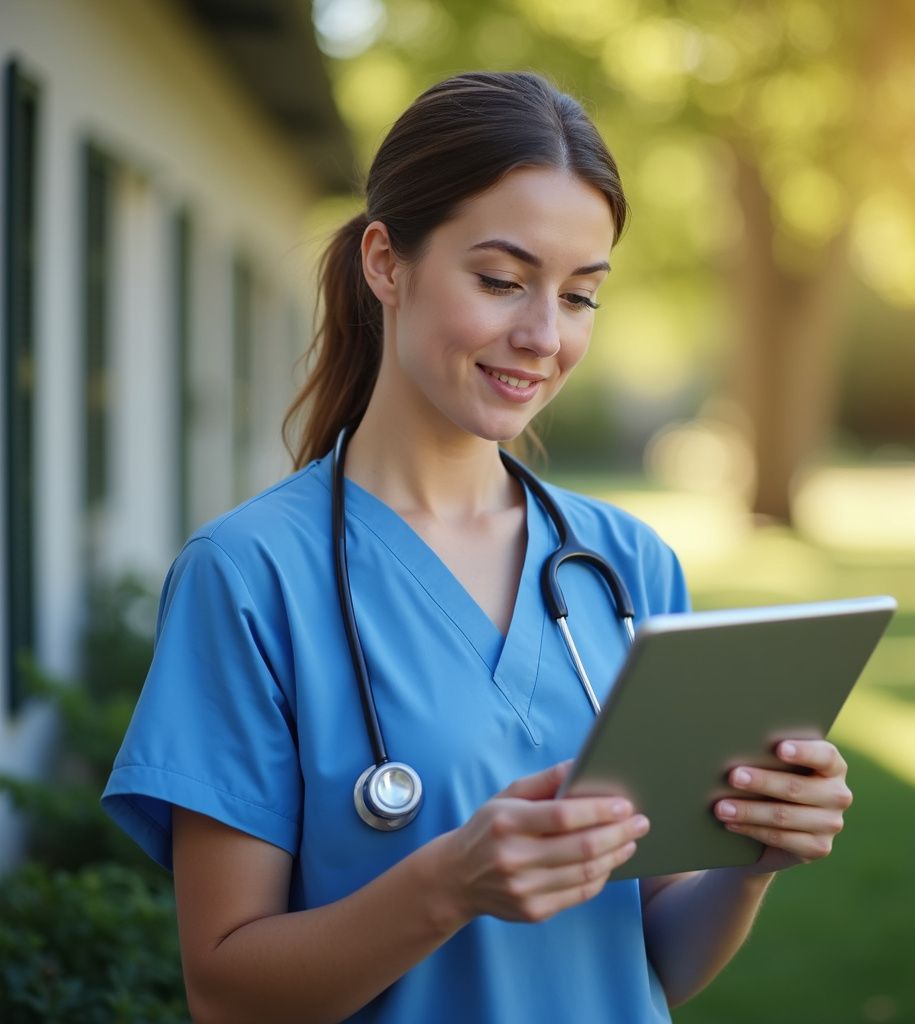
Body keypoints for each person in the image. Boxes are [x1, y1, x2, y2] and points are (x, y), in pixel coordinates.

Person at [101, 70, 853, 1024]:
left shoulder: (627, 566)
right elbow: (226, 992)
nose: (542, 335)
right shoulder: (250, 577)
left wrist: (750, 863)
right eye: (501, 281)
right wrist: (448, 885)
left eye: (580, 297)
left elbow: (650, 957)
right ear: (385, 261)